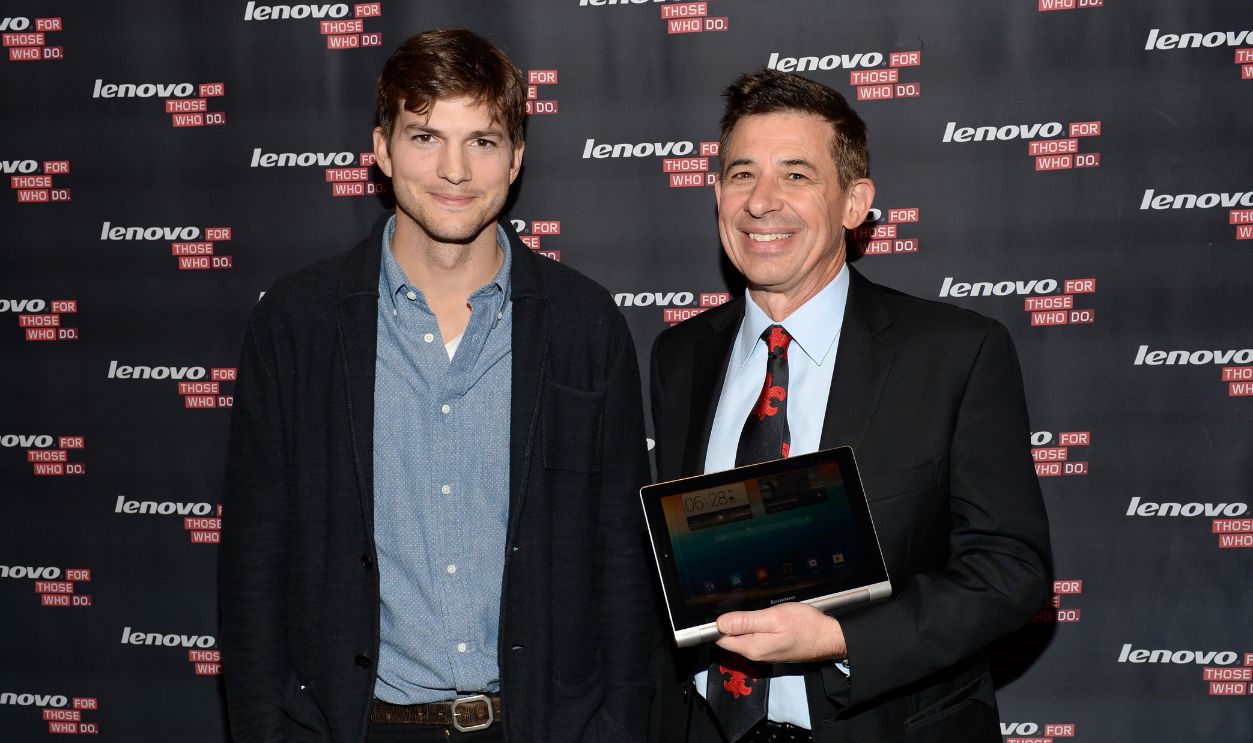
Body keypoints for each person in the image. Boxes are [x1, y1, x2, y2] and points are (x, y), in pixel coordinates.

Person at [219, 27, 653, 743]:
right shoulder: (296, 321)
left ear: (515, 158)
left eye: (481, 141)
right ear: (383, 150)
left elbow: (623, 563)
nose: (455, 170)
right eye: (426, 138)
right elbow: (254, 559)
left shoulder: (585, 322)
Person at [649, 69, 1051, 743]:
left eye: (796, 175)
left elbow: (1010, 569)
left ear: (854, 203)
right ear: (716, 193)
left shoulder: (953, 353)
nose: (761, 201)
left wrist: (840, 638)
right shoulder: (679, 356)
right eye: (741, 174)